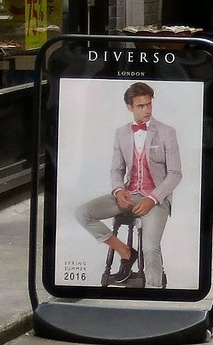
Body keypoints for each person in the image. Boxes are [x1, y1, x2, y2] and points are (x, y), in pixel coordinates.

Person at [75, 82, 181, 288]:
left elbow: (175, 174)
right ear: (130, 108)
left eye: (149, 105)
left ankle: (153, 291)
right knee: (83, 213)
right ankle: (125, 252)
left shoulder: (167, 132)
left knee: (151, 249)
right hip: (129, 194)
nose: (147, 110)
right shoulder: (121, 133)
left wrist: (152, 199)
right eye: (141, 106)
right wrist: (118, 190)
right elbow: (116, 170)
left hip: (155, 199)